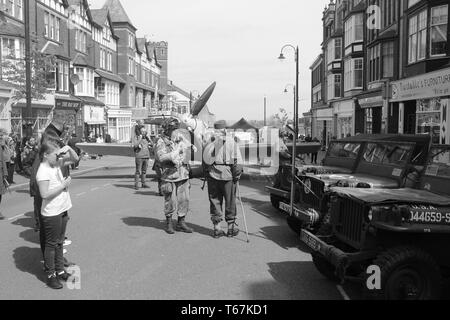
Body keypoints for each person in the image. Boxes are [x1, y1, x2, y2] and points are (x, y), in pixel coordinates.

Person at [36, 141, 78, 289]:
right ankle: (50, 275)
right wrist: (63, 185)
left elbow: (75, 159)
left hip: (62, 208)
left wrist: (68, 148)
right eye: (55, 154)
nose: (59, 156)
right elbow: (44, 194)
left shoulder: (54, 164)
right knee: (51, 244)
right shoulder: (43, 170)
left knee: (59, 242)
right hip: (52, 212)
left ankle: (60, 271)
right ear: (46, 155)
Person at [203, 121, 243, 238]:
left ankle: (217, 229)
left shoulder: (208, 142)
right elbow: (237, 163)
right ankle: (230, 229)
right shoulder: (231, 142)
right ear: (224, 129)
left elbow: (204, 162)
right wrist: (236, 176)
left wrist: (207, 173)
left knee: (215, 201)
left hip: (212, 175)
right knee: (230, 201)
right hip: (228, 175)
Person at [155, 118, 193, 234]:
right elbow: (160, 157)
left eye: (176, 129)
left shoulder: (179, 138)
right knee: (170, 201)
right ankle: (169, 223)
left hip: (182, 173)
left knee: (184, 199)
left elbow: (187, 151)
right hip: (169, 175)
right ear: (167, 129)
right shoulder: (161, 141)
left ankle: (181, 222)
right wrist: (173, 155)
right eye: (173, 129)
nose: (175, 131)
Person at [0, 129, 9, 221]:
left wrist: (5, 174)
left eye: (2, 135)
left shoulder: (1, 147)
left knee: (0, 194)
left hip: (0, 173)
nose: (1, 137)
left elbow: (3, 161)